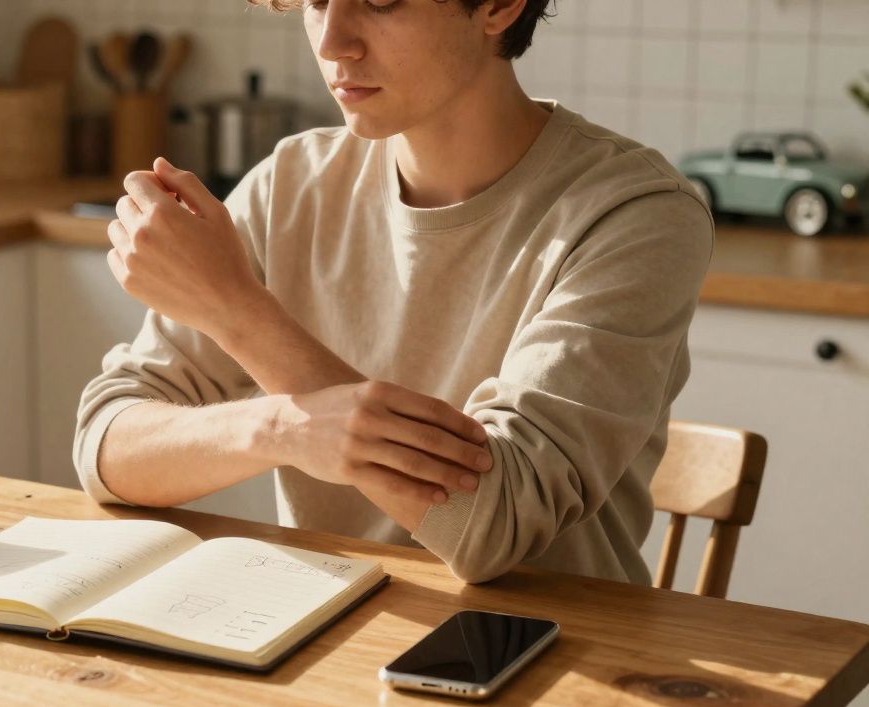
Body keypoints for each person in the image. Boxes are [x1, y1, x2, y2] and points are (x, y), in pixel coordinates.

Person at [73, 0, 715, 586]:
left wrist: (236, 313)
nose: (331, 42)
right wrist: (278, 426)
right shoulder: (291, 185)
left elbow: (496, 525)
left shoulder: (635, 214)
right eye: (315, 1)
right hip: (323, 638)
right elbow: (106, 444)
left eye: (379, 1)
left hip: (550, 656)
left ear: (499, 6)